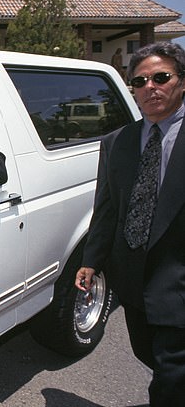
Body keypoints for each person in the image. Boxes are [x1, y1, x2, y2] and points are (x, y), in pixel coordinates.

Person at [75, 41, 185, 406]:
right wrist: (91, 261)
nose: (149, 87)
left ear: (181, 82)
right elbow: (106, 208)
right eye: (139, 82)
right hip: (134, 281)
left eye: (161, 77)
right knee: (149, 356)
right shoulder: (117, 142)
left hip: (179, 282)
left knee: (170, 377)